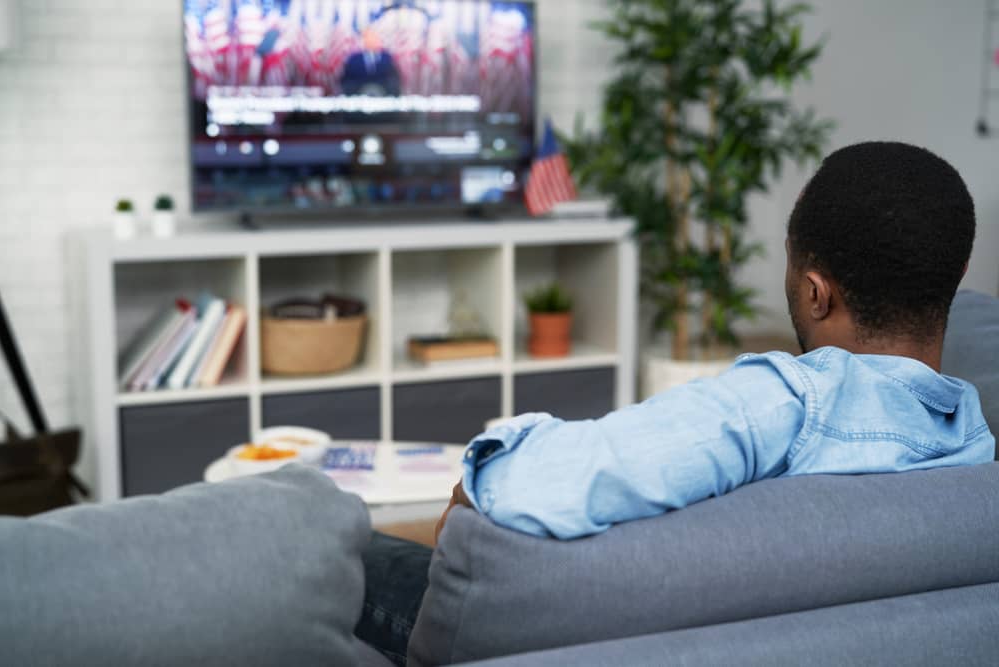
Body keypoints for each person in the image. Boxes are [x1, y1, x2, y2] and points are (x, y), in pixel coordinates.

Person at [357, 141, 996, 665]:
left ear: (814, 293)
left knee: (351, 551)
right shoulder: (973, 444)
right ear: (949, 285)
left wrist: (477, 478)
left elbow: (528, 483)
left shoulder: (786, 403)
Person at [340, 28, 402, 97]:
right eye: (368, 38)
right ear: (363, 40)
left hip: (384, 92)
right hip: (358, 93)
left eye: (374, 38)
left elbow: (394, 76)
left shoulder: (387, 57)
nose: (371, 40)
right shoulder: (354, 58)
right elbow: (346, 78)